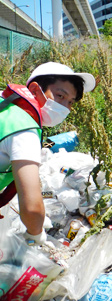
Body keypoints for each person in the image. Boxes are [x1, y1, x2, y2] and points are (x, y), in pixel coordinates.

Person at [0, 62, 95, 246]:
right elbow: (33, 208)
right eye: (60, 96)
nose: (65, 108)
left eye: (70, 102)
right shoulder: (23, 129)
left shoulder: (6, 105)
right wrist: (35, 237)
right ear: (35, 90)